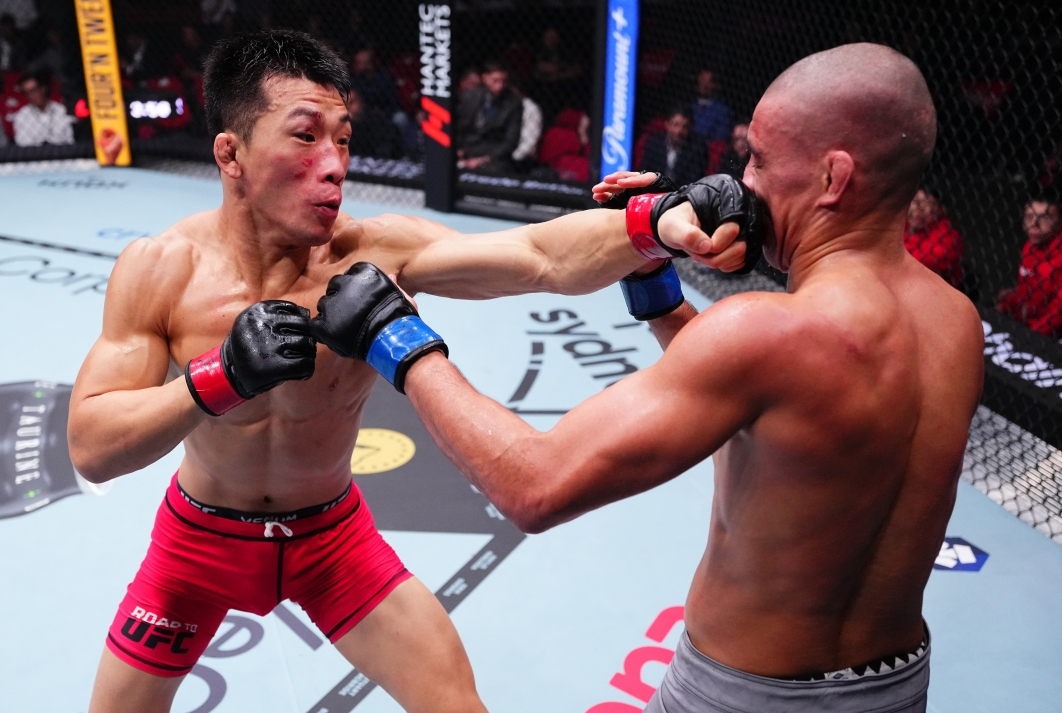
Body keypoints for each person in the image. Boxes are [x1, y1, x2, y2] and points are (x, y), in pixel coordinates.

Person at [69, 29, 741, 713]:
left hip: (330, 540)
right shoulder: (161, 268)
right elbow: (91, 446)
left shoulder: (374, 250)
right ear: (231, 153)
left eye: (343, 137)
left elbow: (539, 254)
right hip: (196, 549)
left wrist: (652, 218)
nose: (334, 164)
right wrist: (219, 378)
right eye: (305, 137)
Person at [323, 43, 985, 712]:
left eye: (758, 158)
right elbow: (783, 400)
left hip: (744, 695)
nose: (743, 180)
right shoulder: (953, 323)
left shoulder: (767, 329)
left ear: (831, 179)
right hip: (895, 686)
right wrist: (652, 282)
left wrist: (396, 338)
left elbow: (533, 484)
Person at [996, 198, 1062, 340]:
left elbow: (1061, 310)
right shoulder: (1031, 245)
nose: (1034, 224)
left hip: (1054, 335)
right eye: (1029, 217)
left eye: (1045, 218)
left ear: (1060, 222)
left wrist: (1030, 335)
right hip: (1027, 324)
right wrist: (1005, 305)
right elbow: (1026, 290)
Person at [455, 60, 522, 173]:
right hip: (468, 148)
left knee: (497, 168)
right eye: (495, 81)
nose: (500, 86)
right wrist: (458, 150)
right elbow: (459, 127)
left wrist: (482, 160)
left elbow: (510, 142)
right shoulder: (471, 96)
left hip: (492, 154)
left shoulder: (513, 104)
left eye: (503, 81)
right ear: (485, 78)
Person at [903, 188, 964, 288]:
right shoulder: (902, 226)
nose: (919, 209)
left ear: (940, 209)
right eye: (915, 201)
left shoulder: (948, 235)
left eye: (927, 204)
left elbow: (926, 262)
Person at [639, 105, 708, 185]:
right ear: (667, 125)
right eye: (676, 125)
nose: (679, 131)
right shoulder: (654, 144)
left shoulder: (697, 149)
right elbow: (644, 172)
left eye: (684, 127)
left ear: (690, 128)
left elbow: (694, 180)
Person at [12, 70, 72, 147]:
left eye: (34, 90)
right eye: (27, 93)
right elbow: (23, 144)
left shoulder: (61, 110)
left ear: (43, 88)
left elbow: (69, 139)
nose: (32, 95)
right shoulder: (21, 116)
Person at [692, 68, 732, 143]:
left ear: (715, 85)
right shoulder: (690, 105)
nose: (704, 85)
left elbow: (721, 136)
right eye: (702, 80)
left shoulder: (722, 110)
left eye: (708, 82)